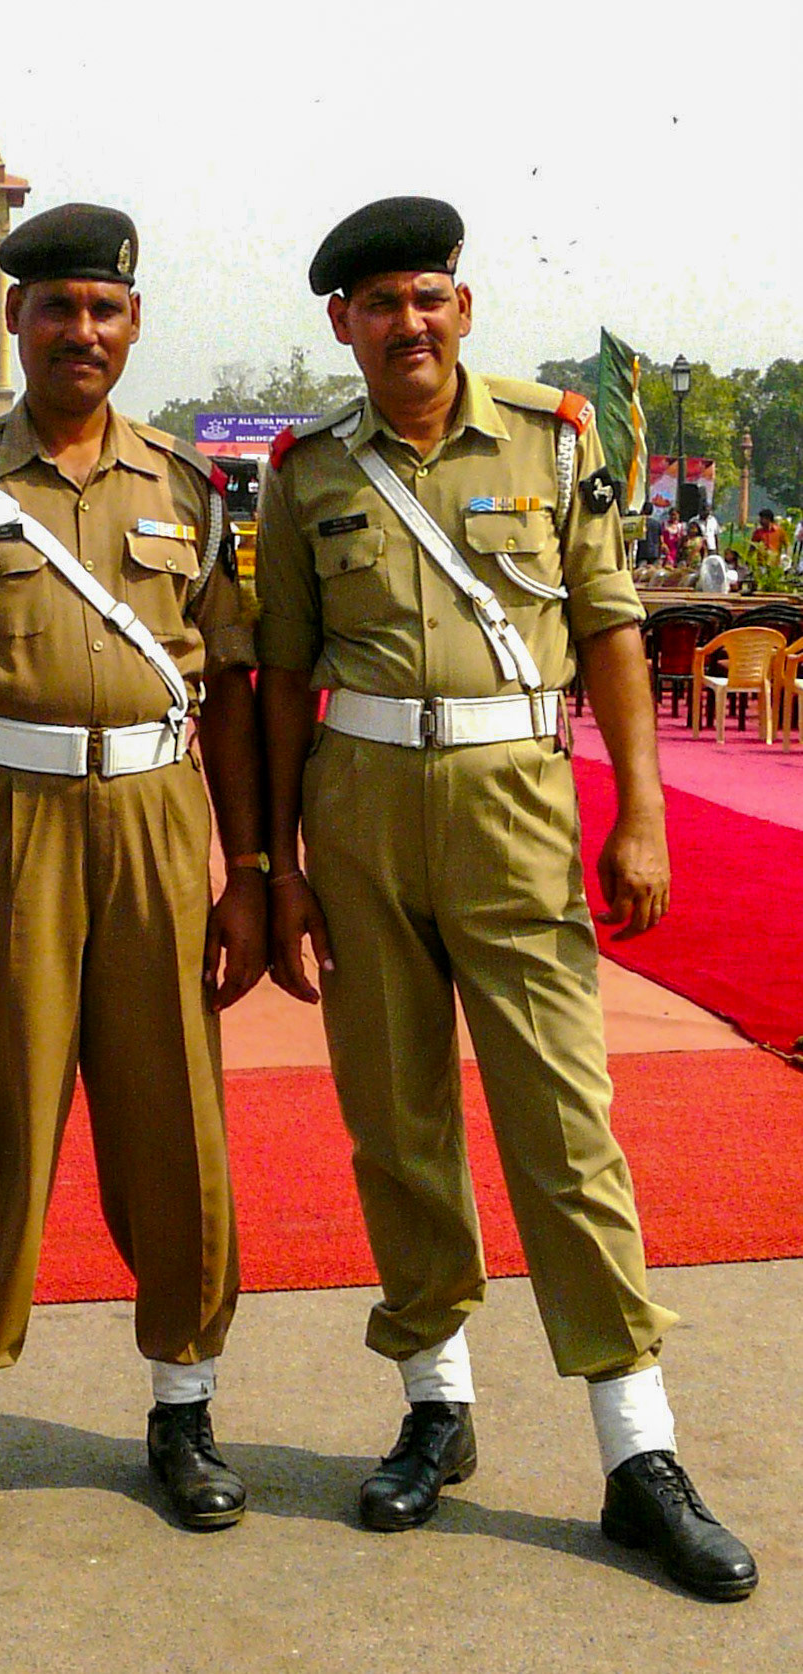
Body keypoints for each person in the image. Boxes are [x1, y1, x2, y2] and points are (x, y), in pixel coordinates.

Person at [256, 196, 757, 1602]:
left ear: (460, 308)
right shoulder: (305, 473)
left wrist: (641, 813)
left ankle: (637, 1450)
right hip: (359, 817)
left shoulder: (555, 439)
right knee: (394, 1120)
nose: (407, 323)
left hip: (515, 814)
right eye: (378, 304)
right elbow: (280, 676)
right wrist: (276, 865)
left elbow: (609, 627)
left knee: (564, 1127)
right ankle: (435, 1403)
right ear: (342, 324)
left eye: (427, 297)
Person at [0, 203, 267, 1547]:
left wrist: (248, 870)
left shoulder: (188, 489)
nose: (80, 331)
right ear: (17, 321)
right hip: (2, 824)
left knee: (175, 1120)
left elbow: (230, 692)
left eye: (103, 309)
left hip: (155, 816)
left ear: (132, 324)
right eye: (56, 308)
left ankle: (183, 1407)